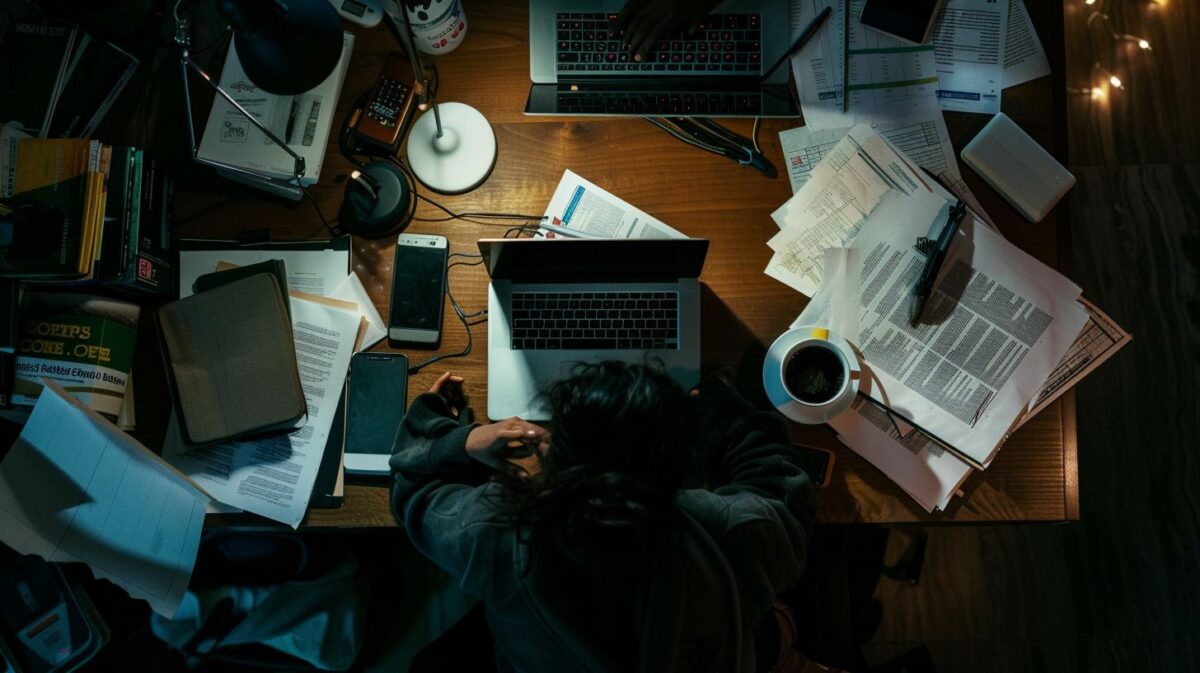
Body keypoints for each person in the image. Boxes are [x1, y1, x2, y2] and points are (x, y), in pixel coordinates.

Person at [390, 361, 819, 672]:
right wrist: (721, 411)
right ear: (682, 476)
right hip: (725, 646)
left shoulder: (498, 534)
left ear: (554, 465)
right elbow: (784, 491)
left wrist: (458, 438)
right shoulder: (730, 532)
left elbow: (414, 496)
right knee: (778, 627)